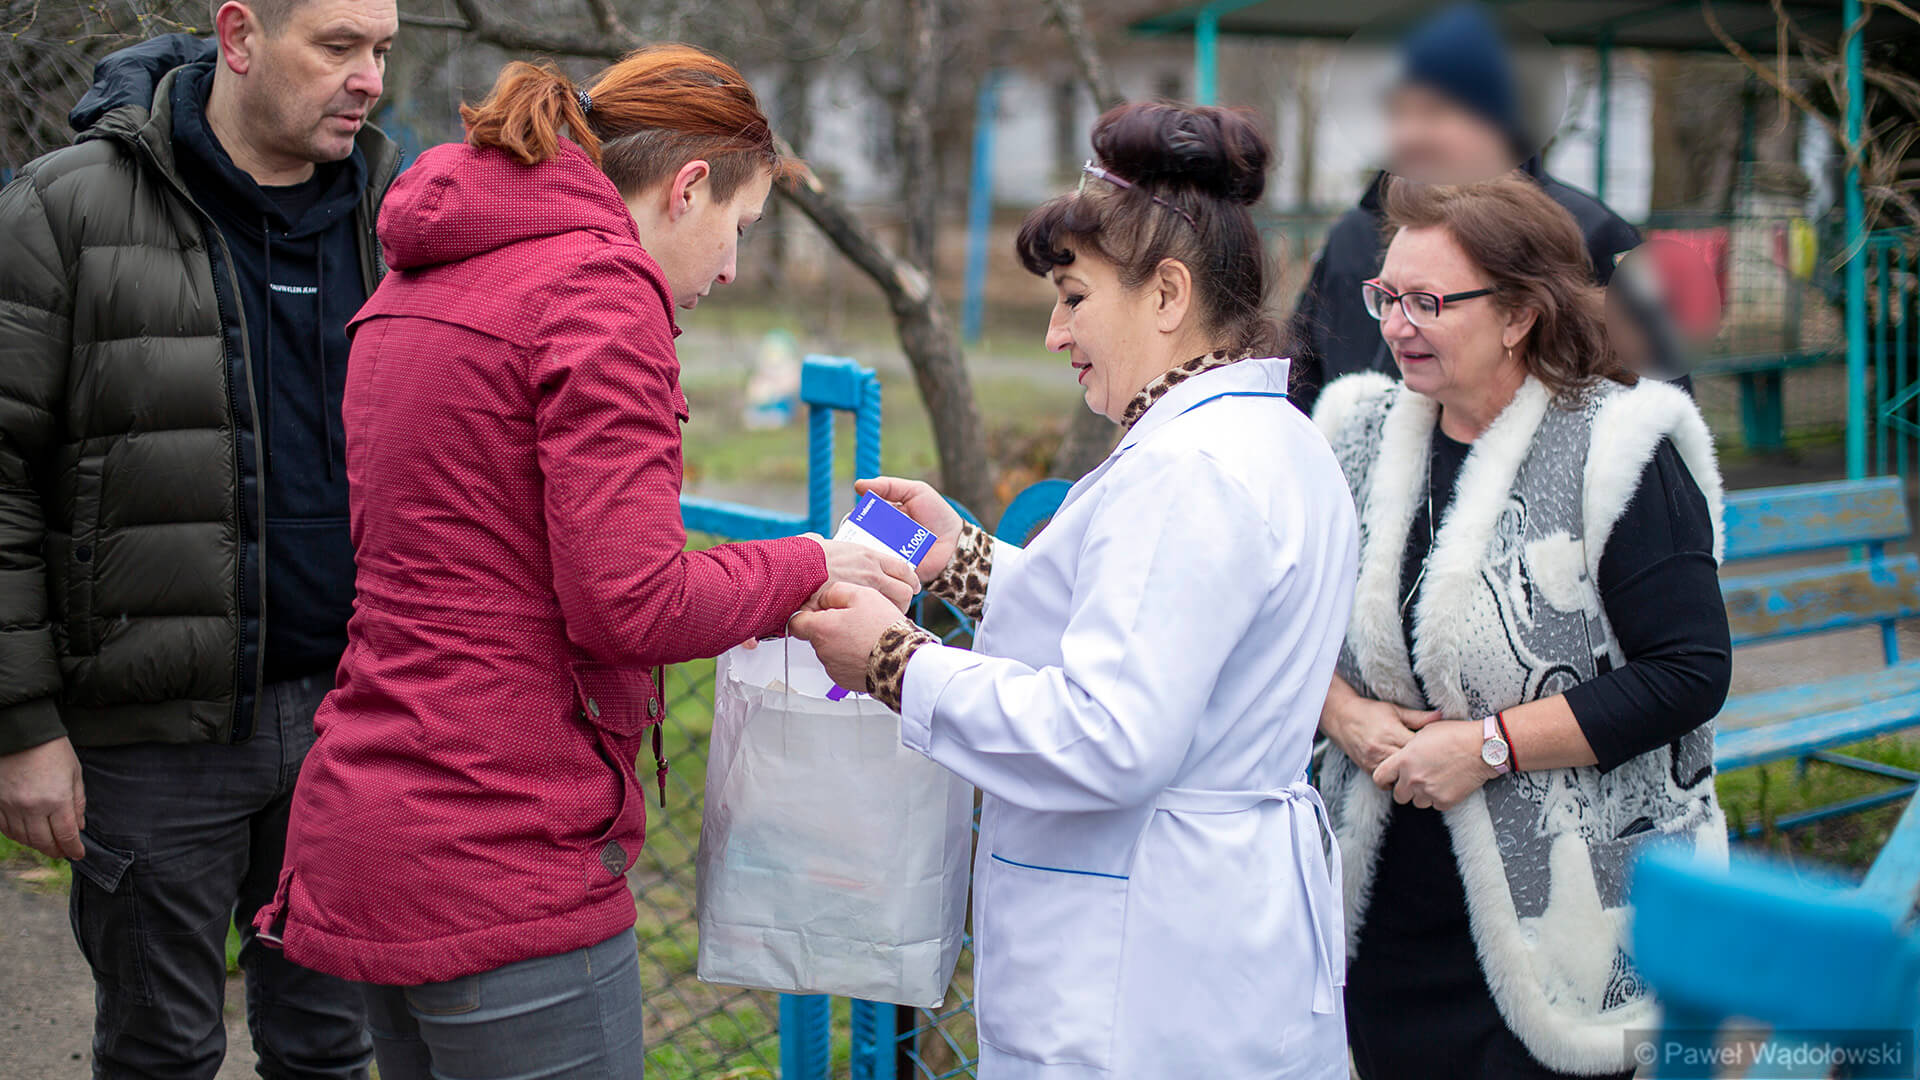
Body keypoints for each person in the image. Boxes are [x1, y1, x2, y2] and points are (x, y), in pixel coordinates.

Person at [249, 46, 916, 1078]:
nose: (731, 269)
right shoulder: (598, 293)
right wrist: (807, 563)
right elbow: (633, 604)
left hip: (376, 829)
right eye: (736, 230)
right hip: (503, 856)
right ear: (687, 187)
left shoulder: (433, 272)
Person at [794, 102, 1358, 1079]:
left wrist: (896, 663)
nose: (1055, 332)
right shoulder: (1276, 442)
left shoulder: (1189, 470)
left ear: (1168, 294)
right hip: (1219, 933)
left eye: (1073, 296)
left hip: (1137, 973)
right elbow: (1162, 635)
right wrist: (969, 561)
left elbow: (1110, 734)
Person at [0, 2, 402, 1074]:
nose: (368, 79)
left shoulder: (400, 220)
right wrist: (23, 724)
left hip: (353, 723)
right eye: (337, 47)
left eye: (382, 51)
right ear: (239, 37)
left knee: (332, 1047)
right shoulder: (62, 209)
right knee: (160, 1050)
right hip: (150, 740)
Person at [1310, 175, 1733, 1079]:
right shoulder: (1356, 432)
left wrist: (1488, 748)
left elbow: (1689, 672)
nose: (1395, 324)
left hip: (1569, 911)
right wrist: (1342, 712)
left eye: (1428, 301)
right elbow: (1278, 632)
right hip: (1386, 902)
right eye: (1385, 296)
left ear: (1518, 315)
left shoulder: (1619, 448)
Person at [1289, 1, 1641, 413]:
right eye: (1398, 112)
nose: (1410, 133)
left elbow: (1648, 404)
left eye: (1435, 111)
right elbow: (1304, 370)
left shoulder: (1592, 233)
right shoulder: (1354, 232)